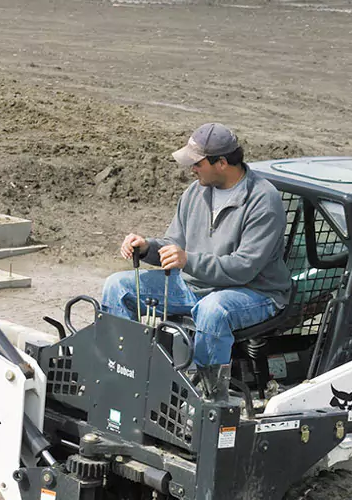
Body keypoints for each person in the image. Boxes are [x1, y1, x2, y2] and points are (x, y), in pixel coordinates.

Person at [102, 123, 293, 400]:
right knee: (117, 286)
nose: (191, 169)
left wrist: (187, 260)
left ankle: (206, 399)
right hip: (197, 285)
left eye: (197, 163)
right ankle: (123, 374)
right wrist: (146, 248)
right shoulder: (195, 192)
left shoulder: (263, 201)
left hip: (256, 292)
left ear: (223, 163)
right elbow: (173, 245)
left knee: (213, 310)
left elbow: (243, 268)